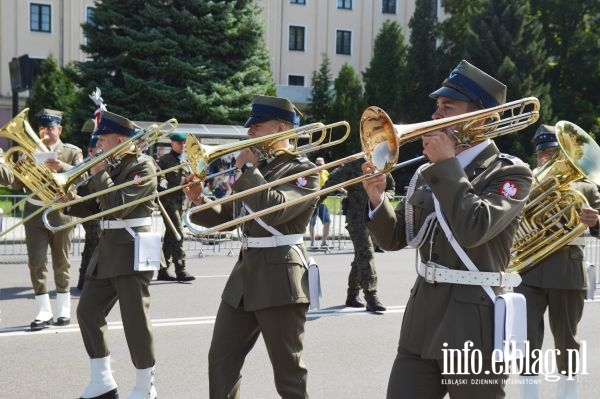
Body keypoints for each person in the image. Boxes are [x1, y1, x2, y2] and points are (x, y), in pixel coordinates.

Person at [361, 60, 533, 398]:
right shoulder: (429, 173)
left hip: (474, 322)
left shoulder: (509, 173)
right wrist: (376, 199)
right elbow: (395, 238)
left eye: (448, 108)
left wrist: (447, 165)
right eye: (437, 107)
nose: (435, 116)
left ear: (479, 117)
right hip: (422, 318)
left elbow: (474, 228)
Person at [183, 94, 319, 398]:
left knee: (289, 375)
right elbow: (231, 219)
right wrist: (198, 199)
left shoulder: (303, 171)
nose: (249, 133)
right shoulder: (260, 167)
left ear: (282, 127)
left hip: (281, 280)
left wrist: (247, 172)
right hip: (244, 279)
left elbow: (276, 209)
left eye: (257, 126)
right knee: (221, 361)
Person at [67, 111, 158, 399]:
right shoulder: (111, 166)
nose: (99, 146)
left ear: (120, 140)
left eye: (103, 140)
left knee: (134, 321)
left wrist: (99, 173)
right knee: (87, 312)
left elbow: (117, 206)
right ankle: (102, 380)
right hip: (108, 250)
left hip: (132, 249)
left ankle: (146, 385)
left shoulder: (143, 167)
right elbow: (98, 208)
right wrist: (70, 203)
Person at [515, 124, 600, 399]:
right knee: (527, 337)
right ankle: (529, 393)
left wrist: (596, 220)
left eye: (553, 152)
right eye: (543, 154)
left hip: (567, 272)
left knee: (567, 340)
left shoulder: (587, 187)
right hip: (528, 272)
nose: (547, 159)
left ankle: (569, 391)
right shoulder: (525, 180)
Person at [11, 109, 83, 330]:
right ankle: (43, 310)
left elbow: (83, 175)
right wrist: (20, 168)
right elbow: (16, 185)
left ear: (59, 129)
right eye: (42, 129)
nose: (45, 133)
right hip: (34, 214)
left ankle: (63, 309)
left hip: (60, 214)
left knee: (61, 262)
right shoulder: (29, 152)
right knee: (36, 263)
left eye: (50, 128)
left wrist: (62, 167)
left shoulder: (72, 152)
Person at [324, 158, 395, 312]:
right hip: (356, 216)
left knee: (361, 256)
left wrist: (383, 198)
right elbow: (329, 184)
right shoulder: (352, 166)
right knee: (366, 252)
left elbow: (391, 188)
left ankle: (352, 294)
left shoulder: (381, 164)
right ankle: (371, 296)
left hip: (374, 216)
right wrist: (313, 204)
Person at [156, 132, 195, 282]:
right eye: (179, 143)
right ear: (172, 143)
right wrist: (165, 187)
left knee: (170, 236)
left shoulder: (185, 160)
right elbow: (159, 180)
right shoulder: (164, 160)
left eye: (184, 143)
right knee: (178, 232)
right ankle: (181, 270)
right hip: (168, 202)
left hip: (180, 202)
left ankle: (162, 269)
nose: (182, 146)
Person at [77, 120, 101, 291]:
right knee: (95, 240)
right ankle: (87, 280)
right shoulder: (86, 165)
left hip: (97, 210)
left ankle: (84, 280)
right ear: (90, 150)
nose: (100, 150)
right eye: (97, 148)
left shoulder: (101, 164)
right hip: (88, 210)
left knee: (92, 244)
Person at [309, 156, 331, 247]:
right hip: (313, 201)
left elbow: (331, 183)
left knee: (327, 221)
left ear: (324, 164)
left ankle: (324, 241)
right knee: (312, 223)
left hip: (323, 202)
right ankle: (312, 242)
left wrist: (343, 190)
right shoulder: (312, 173)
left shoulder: (326, 173)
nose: (318, 166)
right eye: (316, 164)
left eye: (320, 164)